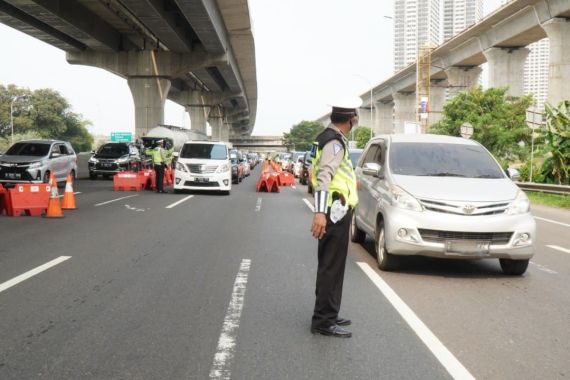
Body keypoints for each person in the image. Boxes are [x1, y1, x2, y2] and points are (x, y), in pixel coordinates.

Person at [310, 96, 361, 338]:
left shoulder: (328, 138)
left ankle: (329, 312)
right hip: (334, 212)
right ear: (351, 120)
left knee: (332, 265)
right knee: (331, 267)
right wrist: (320, 213)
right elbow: (324, 178)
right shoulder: (335, 143)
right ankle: (323, 320)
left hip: (336, 210)